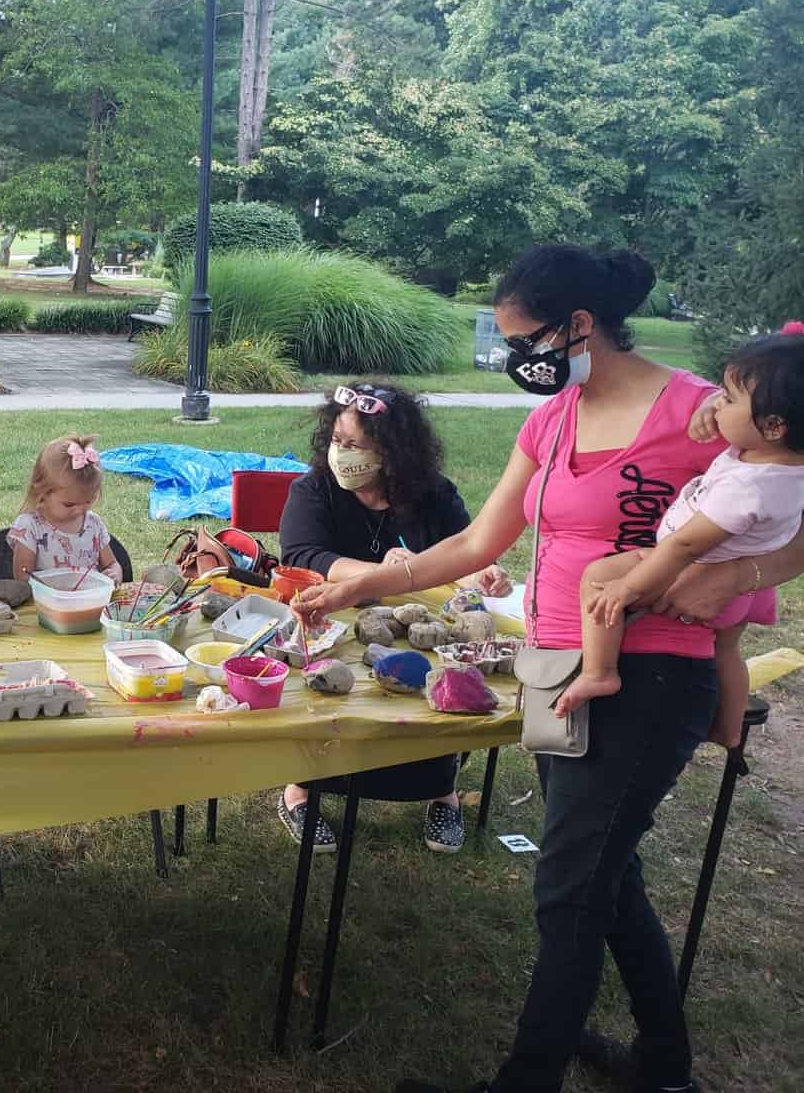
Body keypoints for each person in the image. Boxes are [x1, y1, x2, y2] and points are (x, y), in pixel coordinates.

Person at [294, 244, 804, 1093]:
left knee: (569, 887)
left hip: (652, 676)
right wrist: (359, 587)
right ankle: (666, 1069)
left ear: (578, 325)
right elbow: (474, 543)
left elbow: (791, 509)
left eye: (523, 339)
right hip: (554, 668)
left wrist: (739, 574)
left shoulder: (700, 412)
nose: (514, 359)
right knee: (607, 872)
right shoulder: (552, 419)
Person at [276, 382, 513, 856]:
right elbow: (304, 554)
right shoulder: (315, 488)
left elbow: (464, 552)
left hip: (418, 627)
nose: (340, 453)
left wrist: (482, 575)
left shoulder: (436, 495)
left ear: (392, 450)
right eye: (336, 441)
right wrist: (386, 575)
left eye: (354, 444)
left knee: (441, 685)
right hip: (332, 621)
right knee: (328, 689)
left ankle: (440, 789)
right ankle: (300, 790)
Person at [562, 326, 803, 745]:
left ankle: (599, 674)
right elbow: (742, 418)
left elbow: (685, 545)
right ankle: (729, 732)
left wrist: (628, 586)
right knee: (727, 655)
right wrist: (715, 409)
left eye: (727, 399)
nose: (715, 403)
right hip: (744, 588)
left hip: (695, 570)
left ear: (774, 424)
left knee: (598, 577)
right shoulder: (777, 459)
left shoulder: (747, 488)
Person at [7, 435, 121, 581]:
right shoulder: (30, 527)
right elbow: (23, 578)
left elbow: (112, 564)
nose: (80, 510)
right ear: (42, 493)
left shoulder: (93, 524)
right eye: (69, 504)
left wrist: (114, 573)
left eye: (88, 501)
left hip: (91, 601)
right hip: (45, 602)